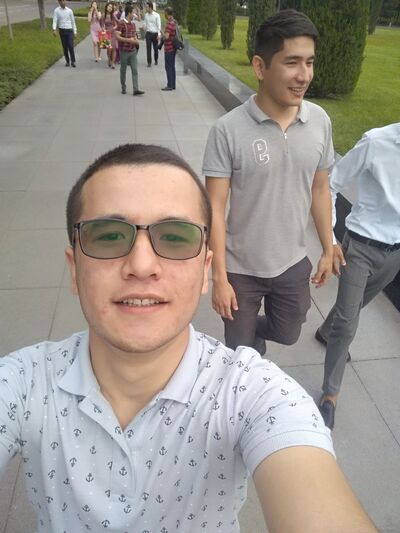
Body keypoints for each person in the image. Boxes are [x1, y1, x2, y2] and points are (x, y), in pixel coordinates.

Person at [0, 143, 377, 532]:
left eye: (175, 237)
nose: (141, 265)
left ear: (204, 271)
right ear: (74, 268)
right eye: (108, 236)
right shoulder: (22, 384)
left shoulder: (255, 396)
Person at [202, 10, 335, 355]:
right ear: (260, 67)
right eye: (292, 62)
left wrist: (328, 245)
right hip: (240, 268)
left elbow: (320, 188)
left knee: (288, 333)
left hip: (291, 261)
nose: (304, 75)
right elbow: (214, 206)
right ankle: (246, 349)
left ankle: (251, 333)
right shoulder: (227, 130)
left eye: (309, 62)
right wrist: (219, 276)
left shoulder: (319, 121)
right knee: (241, 351)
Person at [316, 123, 400, 429]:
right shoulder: (376, 142)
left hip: (395, 253)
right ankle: (330, 395)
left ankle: (326, 331)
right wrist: (331, 241)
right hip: (361, 247)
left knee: (354, 306)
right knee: (348, 322)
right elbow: (331, 184)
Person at [115, 3, 145, 96]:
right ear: (129, 13)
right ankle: (123, 87)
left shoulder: (133, 24)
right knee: (123, 70)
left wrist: (136, 39)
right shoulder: (121, 23)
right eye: (133, 13)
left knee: (135, 70)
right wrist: (128, 40)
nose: (134, 15)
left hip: (133, 51)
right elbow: (117, 36)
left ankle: (136, 89)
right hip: (124, 51)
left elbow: (134, 35)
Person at [52, 0, 77, 68]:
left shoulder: (69, 11)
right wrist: (54, 29)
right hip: (62, 30)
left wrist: (75, 31)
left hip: (69, 30)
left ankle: (73, 61)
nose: (63, 2)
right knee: (65, 47)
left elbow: (73, 22)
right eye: (62, 1)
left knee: (70, 46)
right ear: (59, 2)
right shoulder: (56, 10)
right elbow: (55, 20)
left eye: (64, 0)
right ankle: (67, 61)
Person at [161, 6, 177, 91]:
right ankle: (173, 84)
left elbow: (166, 37)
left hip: (169, 48)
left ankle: (169, 85)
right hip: (173, 48)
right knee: (172, 66)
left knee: (168, 67)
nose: (164, 14)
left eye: (165, 12)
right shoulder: (174, 21)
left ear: (167, 13)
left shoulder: (169, 23)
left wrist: (162, 33)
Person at [144, 1, 161, 67]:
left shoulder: (157, 15)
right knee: (148, 48)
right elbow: (145, 23)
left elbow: (159, 25)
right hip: (148, 33)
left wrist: (159, 34)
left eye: (147, 7)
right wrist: (144, 26)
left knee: (155, 48)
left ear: (150, 7)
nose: (146, 8)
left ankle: (156, 60)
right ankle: (149, 62)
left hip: (155, 34)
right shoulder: (146, 15)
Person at [102, 2, 118, 68]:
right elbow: (102, 24)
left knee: (114, 48)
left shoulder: (113, 15)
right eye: (109, 6)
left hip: (113, 32)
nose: (110, 8)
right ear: (106, 7)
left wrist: (113, 28)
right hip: (106, 33)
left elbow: (116, 24)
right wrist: (104, 29)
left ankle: (113, 63)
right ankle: (109, 59)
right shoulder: (104, 15)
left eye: (111, 7)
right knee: (109, 48)